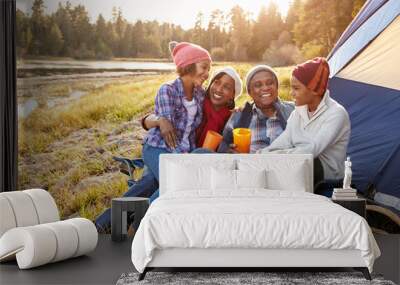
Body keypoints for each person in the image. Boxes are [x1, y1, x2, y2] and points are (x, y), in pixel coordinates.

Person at [259, 57, 351, 182]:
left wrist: (277, 158)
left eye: (296, 88)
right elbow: (284, 141)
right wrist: (261, 155)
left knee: (296, 166)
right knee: (267, 168)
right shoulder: (297, 113)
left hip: (326, 176)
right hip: (299, 166)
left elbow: (312, 150)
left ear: (314, 89)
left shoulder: (336, 114)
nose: (291, 93)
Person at [194, 65, 294, 154]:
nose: (265, 88)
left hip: (285, 168)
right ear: (250, 92)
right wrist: (230, 151)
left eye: (269, 83)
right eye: (258, 85)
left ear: (277, 87)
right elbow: (223, 147)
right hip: (249, 169)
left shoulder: (294, 111)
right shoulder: (240, 116)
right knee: (201, 152)